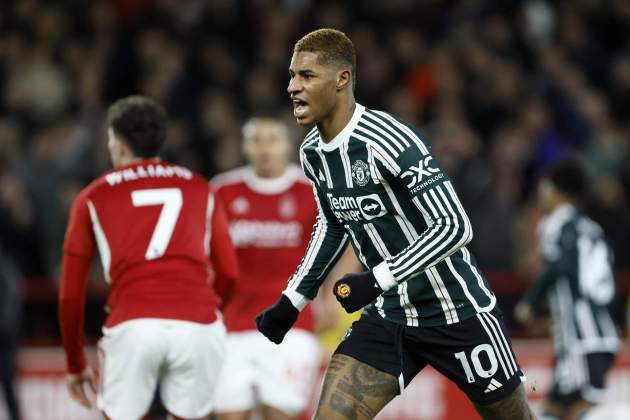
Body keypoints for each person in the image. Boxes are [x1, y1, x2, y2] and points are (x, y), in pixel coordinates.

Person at [255, 28, 535, 419]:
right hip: (389, 316)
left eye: (306, 76)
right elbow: (332, 225)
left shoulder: (388, 140)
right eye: (291, 76)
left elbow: (455, 226)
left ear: (341, 79)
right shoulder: (313, 153)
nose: (292, 87)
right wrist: (293, 299)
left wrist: (376, 279)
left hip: (457, 311)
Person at [58, 95, 239, 420]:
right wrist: (207, 311)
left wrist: (75, 363)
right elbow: (229, 272)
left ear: (117, 143)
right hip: (198, 325)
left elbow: (70, 295)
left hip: (134, 324)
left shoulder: (93, 195)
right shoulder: (201, 188)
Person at [212, 116, 352, 420]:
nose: (265, 149)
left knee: (279, 414)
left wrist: (335, 293)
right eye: (256, 140)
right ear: (244, 146)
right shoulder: (222, 191)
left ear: (289, 145)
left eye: (273, 140)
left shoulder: (313, 191)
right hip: (231, 324)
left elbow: (349, 243)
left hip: (293, 325)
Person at [515, 158, 619, 420]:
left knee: (577, 409)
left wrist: (530, 302)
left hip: (580, 340)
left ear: (553, 189)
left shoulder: (557, 223)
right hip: (599, 334)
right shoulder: (591, 228)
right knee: (556, 408)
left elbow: (562, 266)